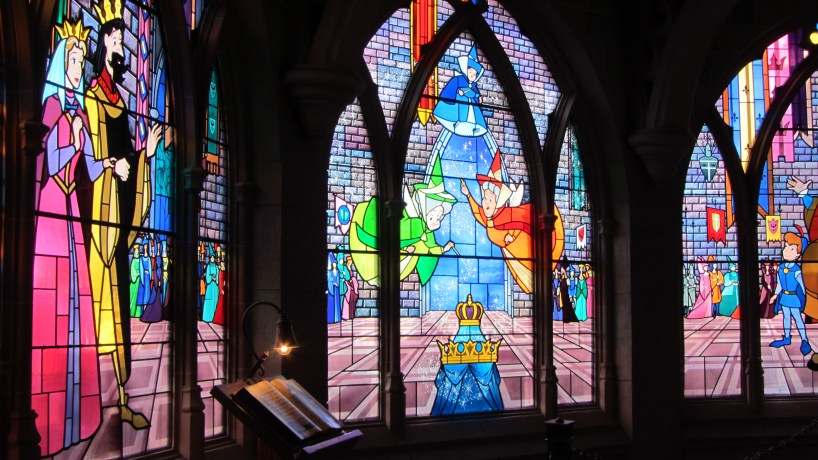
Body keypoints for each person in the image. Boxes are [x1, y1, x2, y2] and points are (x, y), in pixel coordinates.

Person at [82, 0, 160, 429]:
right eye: (114, 38)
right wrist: (115, 165)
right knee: (101, 309)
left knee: (117, 313)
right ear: (103, 47)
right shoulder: (93, 96)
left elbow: (126, 155)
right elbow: (91, 161)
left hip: (119, 209)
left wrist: (143, 157)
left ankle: (122, 397)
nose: (120, 45)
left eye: (122, 39)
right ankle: (97, 397)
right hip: (99, 216)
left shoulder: (121, 102)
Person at [32, 19, 108, 455]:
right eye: (74, 59)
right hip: (50, 209)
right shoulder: (51, 109)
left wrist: (121, 162)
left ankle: (78, 416)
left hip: (71, 209)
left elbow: (89, 168)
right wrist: (72, 142)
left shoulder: (77, 113)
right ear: (63, 63)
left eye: (82, 59)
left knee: (75, 311)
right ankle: (50, 423)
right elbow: (49, 160)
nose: (79, 66)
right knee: (53, 308)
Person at [461, 150, 533, 293]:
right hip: (508, 252)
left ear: (499, 201)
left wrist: (512, 236)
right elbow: (477, 211)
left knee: (528, 273)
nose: (485, 202)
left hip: (518, 246)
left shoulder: (506, 214)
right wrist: (468, 194)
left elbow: (520, 222)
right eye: (484, 197)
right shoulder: (488, 217)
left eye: (490, 198)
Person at [769, 232, 812, 355]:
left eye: (792, 248)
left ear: (798, 254)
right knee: (786, 318)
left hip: (794, 298)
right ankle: (787, 338)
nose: (787, 250)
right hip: (785, 297)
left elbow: (803, 287)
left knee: (798, 319)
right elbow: (779, 285)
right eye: (786, 247)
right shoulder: (781, 268)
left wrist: (806, 301)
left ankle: (804, 340)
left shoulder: (797, 271)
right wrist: (775, 295)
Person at [202, 254, 220, 322]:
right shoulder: (208, 266)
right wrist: (212, 278)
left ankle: (214, 318)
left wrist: (216, 279)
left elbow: (218, 274)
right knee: (209, 301)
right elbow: (207, 275)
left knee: (215, 300)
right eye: (211, 258)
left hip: (215, 286)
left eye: (213, 258)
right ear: (210, 259)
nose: (212, 259)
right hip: (210, 286)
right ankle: (208, 318)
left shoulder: (216, 267)